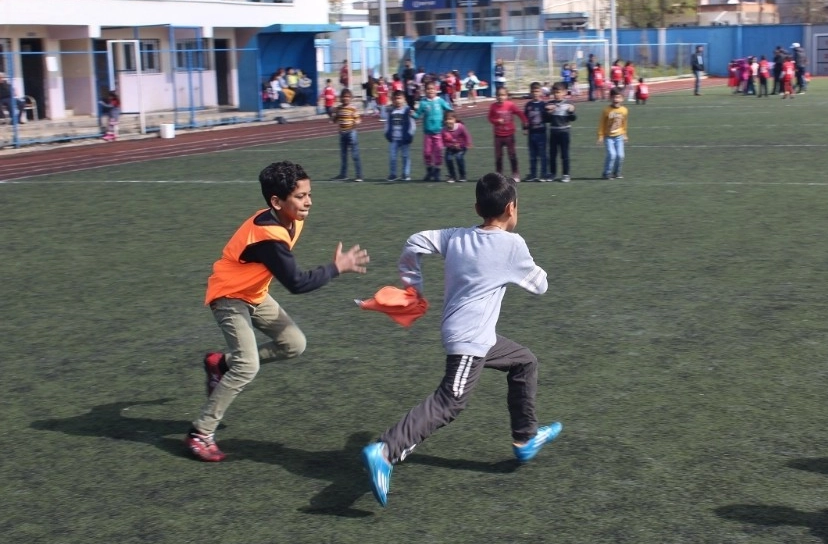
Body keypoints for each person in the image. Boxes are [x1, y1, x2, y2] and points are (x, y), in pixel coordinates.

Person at [361, 172, 561, 507]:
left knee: (523, 362)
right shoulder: (513, 245)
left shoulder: (456, 237)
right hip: (469, 339)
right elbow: (540, 286)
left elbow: (414, 242)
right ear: (512, 208)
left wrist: (414, 284)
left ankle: (525, 438)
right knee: (450, 401)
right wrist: (528, 266)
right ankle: (386, 449)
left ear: (476, 207)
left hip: (473, 335)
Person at [190, 161, 370, 462]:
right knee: (247, 366)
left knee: (294, 344)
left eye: (309, 193)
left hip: (254, 292)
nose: (309, 201)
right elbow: (297, 283)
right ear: (276, 201)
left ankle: (220, 364)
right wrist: (336, 268)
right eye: (301, 196)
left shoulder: (291, 218)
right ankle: (200, 433)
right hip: (229, 296)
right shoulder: (269, 237)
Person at [414, 80, 452, 182]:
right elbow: (417, 115)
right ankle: (429, 171)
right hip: (427, 133)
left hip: (439, 133)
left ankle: (437, 172)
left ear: (436, 90)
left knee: (438, 152)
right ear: (425, 91)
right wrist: (412, 114)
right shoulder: (423, 103)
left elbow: (449, 110)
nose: (430, 91)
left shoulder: (440, 101)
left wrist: (448, 120)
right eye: (428, 89)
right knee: (427, 153)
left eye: (432, 88)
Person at [488, 87, 527, 182]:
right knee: (498, 156)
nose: (501, 97)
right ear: (496, 96)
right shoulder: (493, 106)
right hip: (498, 135)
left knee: (512, 155)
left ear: (507, 96)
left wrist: (525, 122)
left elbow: (519, 113)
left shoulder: (510, 105)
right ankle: (499, 175)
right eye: (499, 95)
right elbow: (490, 118)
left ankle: (515, 173)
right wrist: (497, 121)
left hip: (509, 135)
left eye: (503, 95)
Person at [546, 81, 576, 182]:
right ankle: (552, 173)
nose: (556, 94)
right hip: (553, 132)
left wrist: (571, 111)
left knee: (564, 154)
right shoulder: (550, 104)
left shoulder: (569, 104)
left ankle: (566, 174)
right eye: (555, 92)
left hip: (564, 132)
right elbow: (546, 119)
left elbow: (573, 118)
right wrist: (549, 112)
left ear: (564, 93)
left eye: (559, 92)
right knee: (552, 154)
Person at [332, 89, 363, 181]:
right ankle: (343, 174)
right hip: (342, 134)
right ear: (341, 98)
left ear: (351, 98)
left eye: (347, 97)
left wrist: (355, 122)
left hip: (351, 133)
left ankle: (359, 175)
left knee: (355, 155)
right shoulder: (339, 109)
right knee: (343, 155)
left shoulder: (353, 108)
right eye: (344, 97)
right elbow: (334, 120)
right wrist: (333, 114)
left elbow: (358, 119)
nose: (345, 98)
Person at [384, 89, 415, 181]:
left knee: (405, 156)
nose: (398, 100)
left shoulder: (407, 110)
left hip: (404, 138)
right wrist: (387, 133)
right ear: (392, 100)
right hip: (394, 139)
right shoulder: (391, 111)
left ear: (404, 99)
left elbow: (412, 123)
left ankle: (406, 174)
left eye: (399, 98)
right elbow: (387, 123)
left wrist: (410, 134)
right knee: (392, 157)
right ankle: (393, 174)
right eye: (395, 99)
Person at [598, 88, 628, 180]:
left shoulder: (624, 110)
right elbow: (602, 123)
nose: (616, 99)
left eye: (618, 97)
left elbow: (624, 123)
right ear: (610, 98)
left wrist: (624, 134)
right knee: (612, 155)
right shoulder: (606, 110)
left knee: (620, 155)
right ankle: (606, 173)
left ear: (622, 98)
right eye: (614, 97)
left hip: (619, 137)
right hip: (609, 137)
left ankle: (616, 172)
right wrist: (600, 136)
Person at [523, 82, 548, 182]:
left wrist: (549, 112)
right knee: (532, 156)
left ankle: (543, 174)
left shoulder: (544, 104)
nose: (535, 93)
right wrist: (525, 128)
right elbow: (525, 118)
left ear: (541, 92)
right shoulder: (528, 105)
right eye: (533, 91)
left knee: (543, 155)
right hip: (532, 133)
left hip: (541, 133)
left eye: (537, 91)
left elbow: (547, 118)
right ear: (530, 92)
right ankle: (533, 174)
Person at [441, 110, 471, 183]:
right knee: (448, 158)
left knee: (458, 157)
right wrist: (451, 145)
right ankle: (452, 176)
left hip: (461, 146)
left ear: (454, 119)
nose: (448, 121)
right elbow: (444, 142)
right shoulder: (444, 130)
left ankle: (462, 175)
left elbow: (467, 136)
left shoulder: (460, 127)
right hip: (451, 147)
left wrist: (467, 144)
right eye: (446, 119)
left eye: (450, 119)